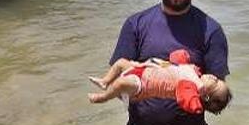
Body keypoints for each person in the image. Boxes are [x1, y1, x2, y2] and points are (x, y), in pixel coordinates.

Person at [89, 49, 229, 114]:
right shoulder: (194, 72)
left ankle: (103, 97)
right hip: (143, 69)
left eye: (216, 84)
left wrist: (195, 105)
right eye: (218, 79)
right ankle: (105, 81)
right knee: (120, 63)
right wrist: (182, 56)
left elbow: (187, 100)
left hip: (143, 85)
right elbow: (177, 61)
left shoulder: (190, 87)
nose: (215, 77)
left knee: (121, 83)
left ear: (206, 95)